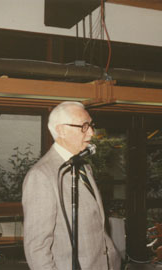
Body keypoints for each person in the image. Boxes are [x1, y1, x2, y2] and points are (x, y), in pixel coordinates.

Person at [22, 101, 121, 270]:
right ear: (61, 130)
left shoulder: (83, 167)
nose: (91, 132)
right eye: (84, 126)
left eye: (91, 125)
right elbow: (37, 248)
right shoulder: (41, 176)